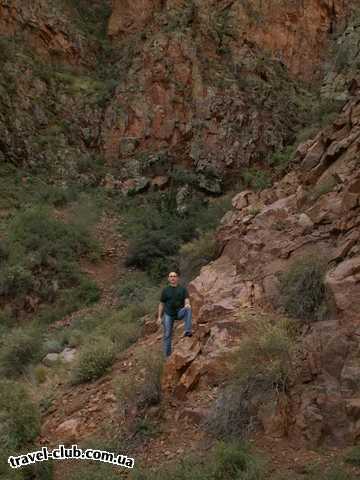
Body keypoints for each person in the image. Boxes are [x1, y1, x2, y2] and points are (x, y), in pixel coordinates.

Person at [158, 270, 192, 357]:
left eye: (174, 276)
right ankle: (167, 356)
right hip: (168, 314)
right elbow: (161, 304)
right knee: (167, 334)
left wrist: (187, 304)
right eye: (171, 276)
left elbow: (186, 300)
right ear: (168, 279)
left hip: (179, 312)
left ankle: (187, 331)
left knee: (188, 309)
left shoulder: (183, 289)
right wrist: (159, 317)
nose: (173, 277)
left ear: (177, 278)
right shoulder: (165, 290)